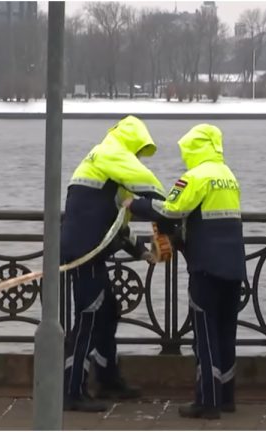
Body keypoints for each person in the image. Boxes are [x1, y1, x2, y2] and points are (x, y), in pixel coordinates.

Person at [124, 124, 246, 419]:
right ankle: (226, 397)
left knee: (204, 335)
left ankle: (208, 402)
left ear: (193, 148)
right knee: (226, 332)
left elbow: (171, 210)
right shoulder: (228, 175)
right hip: (234, 266)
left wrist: (137, 204)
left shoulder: (196, 176)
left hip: (206, 266)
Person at [61, 115, 166, 412]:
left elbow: (117, 219)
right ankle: (72, 392)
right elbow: (153, 189)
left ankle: (108, 379)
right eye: (138, 151)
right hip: (86, 253)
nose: (137, 157)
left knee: (107, 311)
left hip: (87, 249)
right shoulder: (113, 154)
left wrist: (141, 252)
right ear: (132, 142)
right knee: (88, 318)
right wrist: (173, 211)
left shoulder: (104, 162)